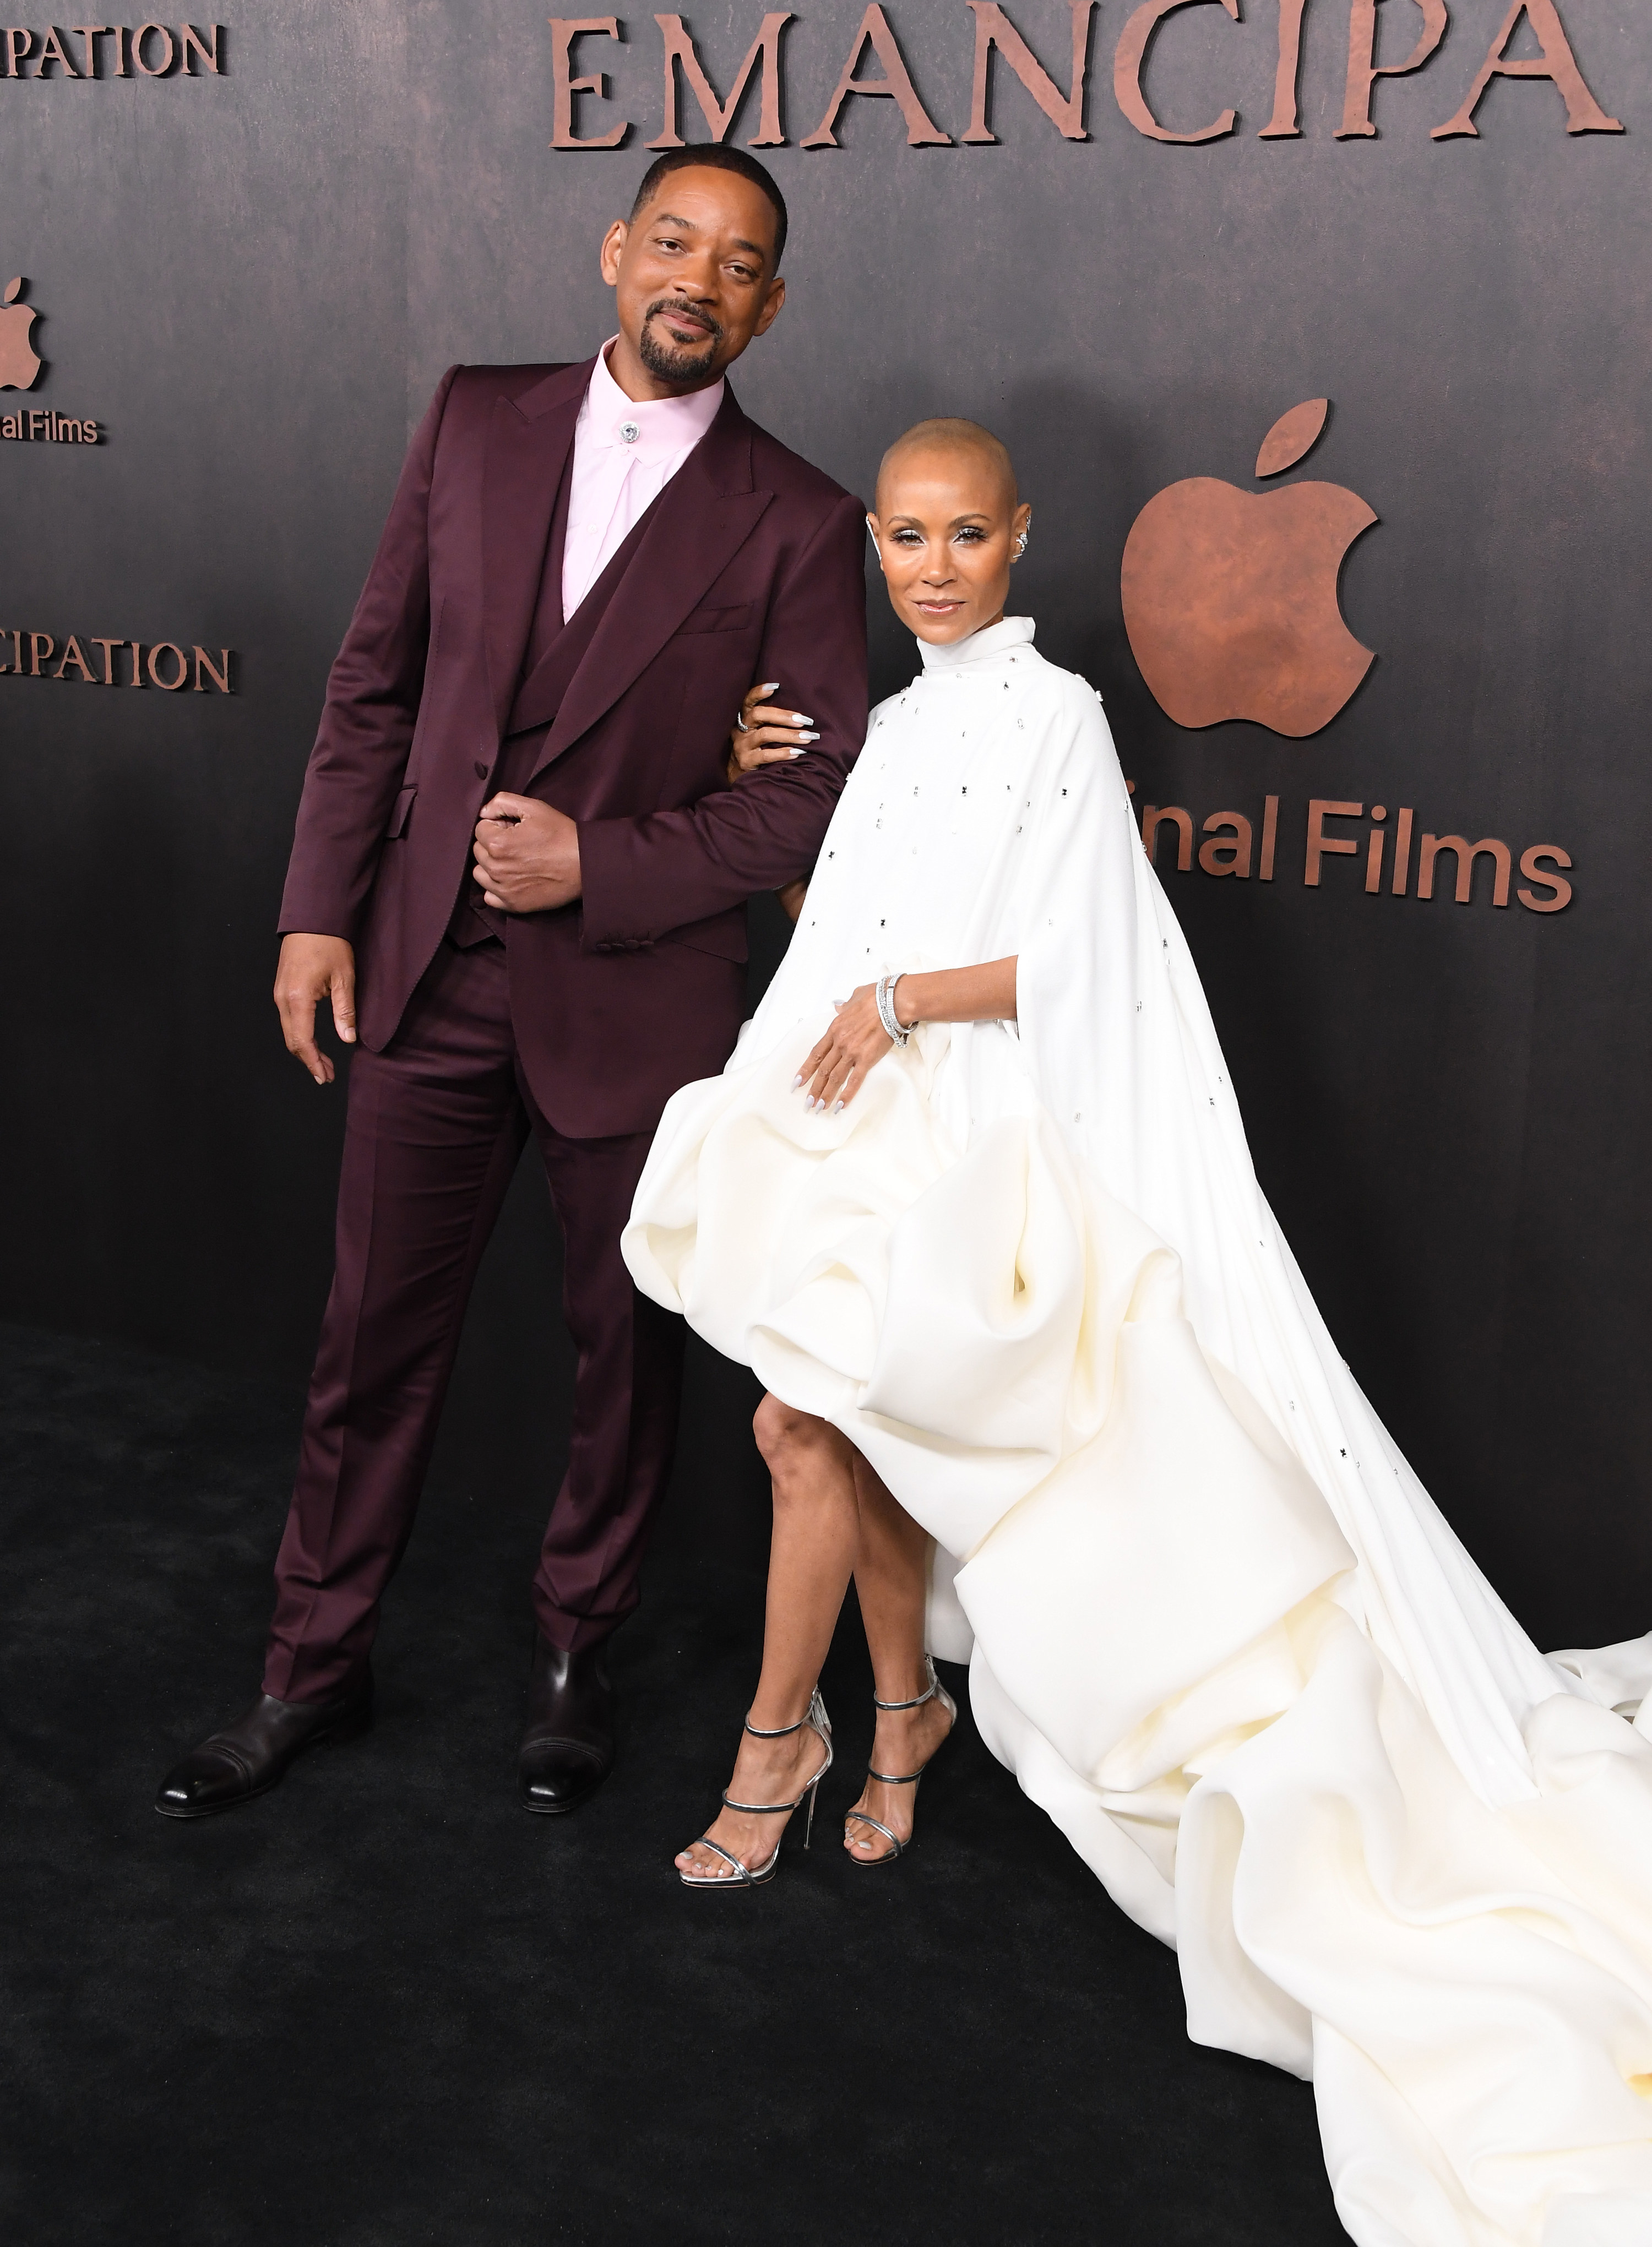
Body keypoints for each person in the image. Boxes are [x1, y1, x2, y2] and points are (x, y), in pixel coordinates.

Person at [624, 419, 1652, 2241]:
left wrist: (895, 991)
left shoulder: (1058, 716)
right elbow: (832, 919)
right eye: (909, 539)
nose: (937, 567)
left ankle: (782, 1750)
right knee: (826, 1432)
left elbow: (1089, 955)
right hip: (867, 1120)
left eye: (968, 536)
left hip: (989, 1136)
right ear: (878, 543)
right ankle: (894, 1719)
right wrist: (767, 805)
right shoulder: (902, 722)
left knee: (818, 1434)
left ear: (1021, 539)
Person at [156, 146, 867, 1824]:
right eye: (674, 239)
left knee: (622, 1351)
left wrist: (598, 865)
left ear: (773, 303)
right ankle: (310, 1665)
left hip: (643, 998)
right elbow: (375, 678)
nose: (700, 275)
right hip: (421, 969)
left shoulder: (805, 516)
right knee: (367, 1342)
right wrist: (315, 909)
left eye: (740, 261)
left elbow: (815, 783)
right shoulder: (472, 417)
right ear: (619, 251)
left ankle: (574, 1650)